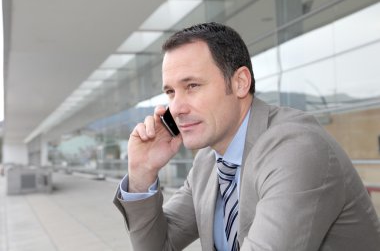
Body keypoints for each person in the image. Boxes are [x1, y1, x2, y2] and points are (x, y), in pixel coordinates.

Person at [114, 22, 380, 250]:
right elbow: (161, 245)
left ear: (240, 82)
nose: (177, 108)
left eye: (192, 86)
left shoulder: (297, 148)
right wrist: (142, 175)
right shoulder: (208, 161)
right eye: (171, 92)